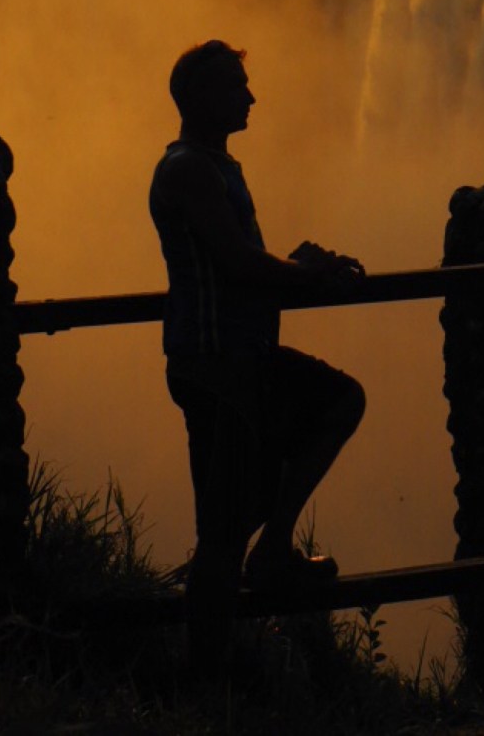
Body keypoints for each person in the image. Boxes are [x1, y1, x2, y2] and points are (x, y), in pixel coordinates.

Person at [149, 39, 366, 665]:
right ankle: (209, 677)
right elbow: (238, 264)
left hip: (238, 360)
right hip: (217, 366)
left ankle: (271, 551)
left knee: (335, 405)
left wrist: (296, 267)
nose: (251, 96)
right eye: (236, 86)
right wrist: (308, 275)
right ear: (198, 97)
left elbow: (243, 259)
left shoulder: (213, 164)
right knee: (220, 530)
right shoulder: (190, 167)